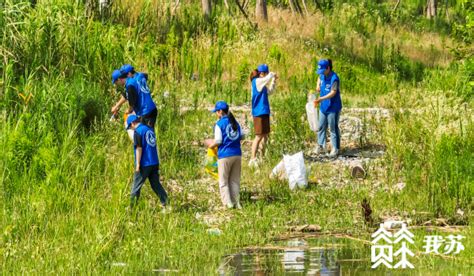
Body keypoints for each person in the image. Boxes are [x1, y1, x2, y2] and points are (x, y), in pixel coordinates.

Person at [205, 101, 243, 209]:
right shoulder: (235, 122)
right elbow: (242, 136)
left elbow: (218, 141)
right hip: (237, 154)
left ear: (220, 111)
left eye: (216, 111)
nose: (216, 114)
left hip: (225, 155)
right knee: (234, 180)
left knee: (224, 180)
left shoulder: (219, 124)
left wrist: (210, 145)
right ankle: (237, 202)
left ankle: (228, 203)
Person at [126, 114, 168, 209]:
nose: (131, 129)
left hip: (145, 163)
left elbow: (139, 149)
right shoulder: (149, 129)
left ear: (133, 123)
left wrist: (138, 164)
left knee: (136, 186)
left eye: (130, 127)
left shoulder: (138, 132)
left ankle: (132, 209)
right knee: (155, 184)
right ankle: (166, 203)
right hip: (154, 161)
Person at [249, 64, 277, 167]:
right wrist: (272, 75)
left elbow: (270, 91)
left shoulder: (262, 85)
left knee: (266, 135)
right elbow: (266, 79)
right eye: (265, 73)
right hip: (258, 112)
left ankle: (262, 156)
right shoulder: (256, 82)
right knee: (258, 136)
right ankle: (253, 158)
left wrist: (274, 80)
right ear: (262, 73)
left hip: (265, 112)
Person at [314, 59, 342, 158]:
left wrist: (321, 98)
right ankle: (321, 145)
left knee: (333, 128)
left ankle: (335, 148)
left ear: (328, 68)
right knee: (321, 127)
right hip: (323, 107)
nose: (321, 73)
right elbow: (319, 78)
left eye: (322, 70)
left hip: (333, 107)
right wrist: (318, 85)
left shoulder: (334, 78)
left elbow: (333, 92)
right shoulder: (322, 75)